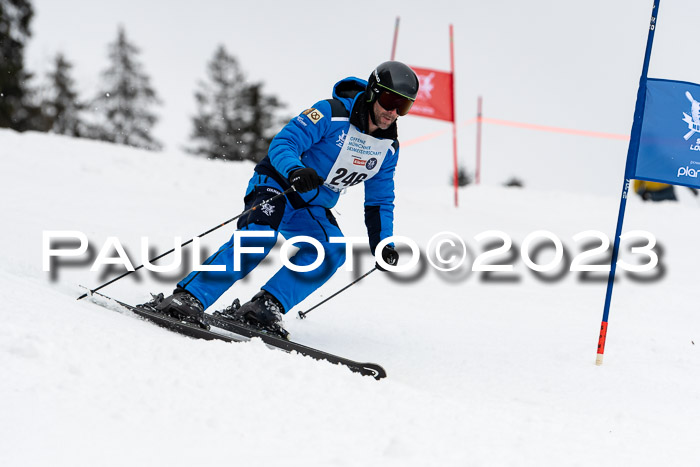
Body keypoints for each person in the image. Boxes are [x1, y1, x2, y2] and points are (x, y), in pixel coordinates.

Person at [143, 61, 419, 339]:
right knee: (258, 238)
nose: (393, 112)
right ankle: (189, 297)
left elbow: (380, 199)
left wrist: (383, 242)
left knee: (332, 249)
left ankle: (264, 307)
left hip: (311, 204)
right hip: (279, 184)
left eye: (404, 106)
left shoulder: (388, 149)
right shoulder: (330, 113)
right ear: (373, 92)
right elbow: (284, 143)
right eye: (389, 100)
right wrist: (295, 169)